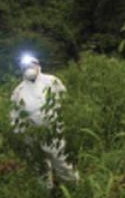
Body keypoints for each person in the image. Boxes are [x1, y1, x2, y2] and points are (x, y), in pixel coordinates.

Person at [10, 54, 78, 188]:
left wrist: (66, 122)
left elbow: (65, 101)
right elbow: (15, 115)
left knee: (62, 162)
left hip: (54, 131)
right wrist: (21, 134)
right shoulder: (19, 91)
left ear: (37, 65)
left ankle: (73, 188)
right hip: (32, 135)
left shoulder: (52, 81)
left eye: (31, 65)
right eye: (25, 67)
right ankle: (46, 193)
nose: (29, 69)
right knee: (39, 165)